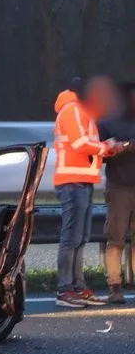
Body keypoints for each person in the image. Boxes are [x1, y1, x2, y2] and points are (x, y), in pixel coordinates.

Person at [53, 76, 125, 308]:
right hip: (72, 181)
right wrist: (107, 147)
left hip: (81, 181)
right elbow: (79, 143)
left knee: (80, 238)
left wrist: (109, 150)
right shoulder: (72, 109)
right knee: (72, 238)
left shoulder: (80, 111)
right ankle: (65, 290)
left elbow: (87, 147)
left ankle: (77, 287)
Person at [98, 82, 135, 303]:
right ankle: (114, 286)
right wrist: (110, 148)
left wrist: (127, 146)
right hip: (118, 187)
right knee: (116, 239)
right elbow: (97, 149)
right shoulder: (107, 122)